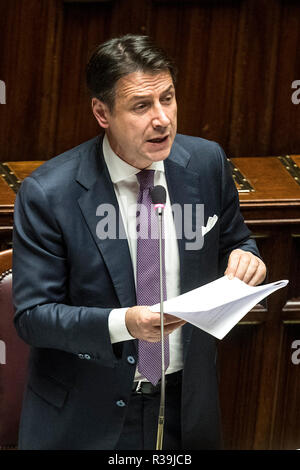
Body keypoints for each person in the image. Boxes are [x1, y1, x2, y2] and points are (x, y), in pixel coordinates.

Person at [12, 34, 266, 450]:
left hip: (188, 405)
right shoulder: (49, 193)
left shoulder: (206, 164)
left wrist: (247, 257)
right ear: (102, 112)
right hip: (88, 416)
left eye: (167, 98)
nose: (162, 118)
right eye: (142, 106)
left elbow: (237, 241)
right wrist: (125, 324)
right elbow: (34, 316)